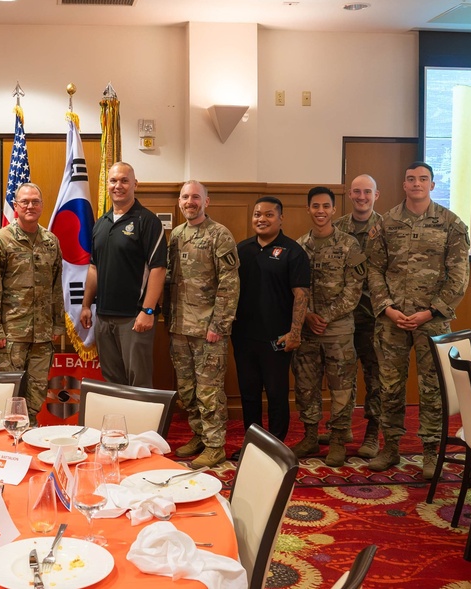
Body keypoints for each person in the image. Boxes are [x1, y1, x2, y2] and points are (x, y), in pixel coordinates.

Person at [367, 162, 470, 477]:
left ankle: (430, 452)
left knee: (432, 388)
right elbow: (374, 269)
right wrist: (386, 307)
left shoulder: (451, 224)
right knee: (389, 386)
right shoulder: (386, 223)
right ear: (403, 184)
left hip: (432, 321)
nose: (416, 184)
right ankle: (390, 447)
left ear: (432, 185)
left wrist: (429, 311)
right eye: (411, 179)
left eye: (423, 179)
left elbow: (459, 277)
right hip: (392, 320)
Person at [164, 181, 239, 468]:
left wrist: (218, 325)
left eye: (195, 196)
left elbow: (229, 284)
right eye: (185, 197)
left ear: (206, 201)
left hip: (209, 330)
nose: (189, 201)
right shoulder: (177, 235)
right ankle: (198, 434)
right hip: (180, 327)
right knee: (187, 390)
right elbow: (170, 279)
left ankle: (215, 445)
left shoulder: (219, 235)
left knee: (209, 391)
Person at [290, 187, 366, 466]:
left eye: (325, 206)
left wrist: (326, 316)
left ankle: (337, 441)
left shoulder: (349, 245)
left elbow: (354, 290)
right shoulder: (299, 246)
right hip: (307, 331)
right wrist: (308, 315)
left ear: (334, 210)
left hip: (339, 330)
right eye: (315, 206)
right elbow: (294, 289)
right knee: (306, 386)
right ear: (308, 209)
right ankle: (310, 436)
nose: (320, 211)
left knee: (341, 387)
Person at [0, 183, 65, 423]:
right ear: (15, 206)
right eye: (24, 202)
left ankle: (31, 429)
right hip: (12, 333)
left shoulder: (51, 241)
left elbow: (56, 286)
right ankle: (8, 438)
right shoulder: (0, 241)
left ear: (42, 206)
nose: (30, 206)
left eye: (35, 201)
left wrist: (58, 326)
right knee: (9, 390)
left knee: (37, 389)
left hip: (43, 334)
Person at [231, 196, 310, 450]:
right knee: (249, 394)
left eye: (268, 215)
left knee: (276, 394)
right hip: (244, 336)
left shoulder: (293, 251)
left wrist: (294, 333)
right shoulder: (241, 249)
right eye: (256, 214)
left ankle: (276, 445)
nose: (261, 219)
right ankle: (252, 443)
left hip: (277, 338)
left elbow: (301, 294)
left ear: (280, 218)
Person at [80, 162, 167, 387]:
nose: (118, 186)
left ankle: (143, 424)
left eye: (124, 180)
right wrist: (87, 305)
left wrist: (148, 310)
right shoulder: (101, 223)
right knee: (112, 382)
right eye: (113, 181)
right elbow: (93, 267)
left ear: (134, 184)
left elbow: (158, 268)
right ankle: (118, 424)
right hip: (104, 316)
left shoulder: (147, 221)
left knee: (138, 382)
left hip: (134, 317)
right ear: (107, 185)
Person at [330, 174, 383, 457]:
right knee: (343, 376)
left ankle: (373, 433)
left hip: (375, 318)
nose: (362, 197)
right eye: (357, 192)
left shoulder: (387, 228)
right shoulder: (337, 228)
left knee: (375, 378)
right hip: (344, 318)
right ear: (349, 195)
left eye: (367, 192)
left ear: (377, 195)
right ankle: (343, 427)